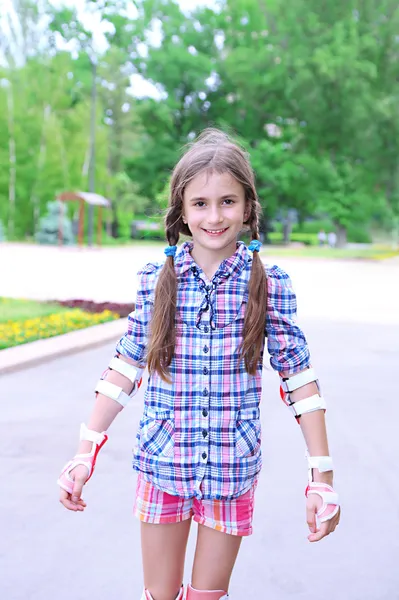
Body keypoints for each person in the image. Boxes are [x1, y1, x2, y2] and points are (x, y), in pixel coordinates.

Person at [58, 129, 340, 600]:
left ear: (248, 206)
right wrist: (84, 453)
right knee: (160, 594)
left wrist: (323, 478)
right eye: (201, 203)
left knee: (208, 596)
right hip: (162, 463)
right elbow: (125, 369)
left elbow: (300, 379)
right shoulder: (156, 280)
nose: (214, 216)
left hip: (232, 468)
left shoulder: (268, 283)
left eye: (228, 201)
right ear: (182, 211)